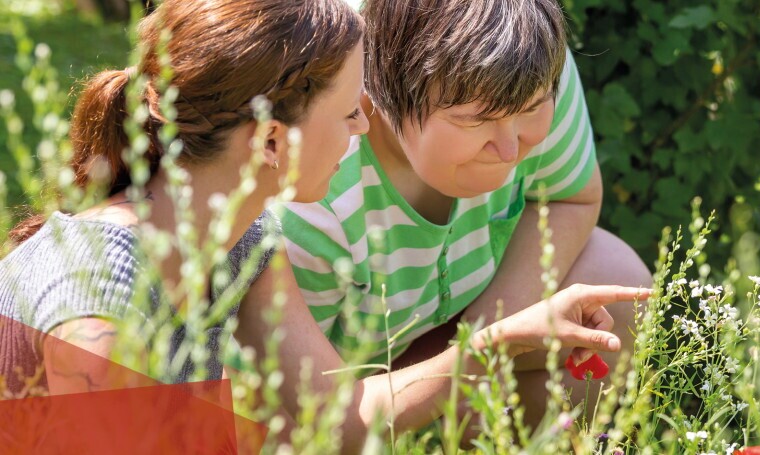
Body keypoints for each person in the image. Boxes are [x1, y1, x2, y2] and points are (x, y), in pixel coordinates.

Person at [0, 0, 645, 451]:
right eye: (348, 114)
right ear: (271, 141)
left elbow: (344, 422)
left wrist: (500, 341)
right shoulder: (98, 285)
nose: (364, 128)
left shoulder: (244, 242)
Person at [280, 0, 653, 425]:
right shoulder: (310, 192)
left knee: (616, 281)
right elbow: (297, 409)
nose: (510, 150)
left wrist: (482, 344)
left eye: (532, 108)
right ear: (377, 94)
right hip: (340, 390)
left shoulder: (527, 60)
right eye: (477, 119)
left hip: (460, 318)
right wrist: (460, 369)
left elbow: (570, 198)